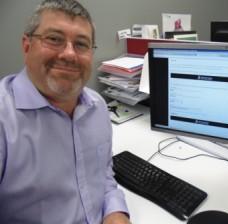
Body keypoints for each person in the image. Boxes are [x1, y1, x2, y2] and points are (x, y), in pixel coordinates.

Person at [0, 0, 131, 223]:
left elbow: (104, 176)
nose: (69, 54)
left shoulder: (97, 107)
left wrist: (116, 213)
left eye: (81, 44)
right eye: (54, 39)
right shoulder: (4, 120)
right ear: (26, 45)